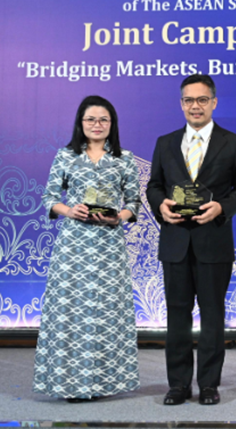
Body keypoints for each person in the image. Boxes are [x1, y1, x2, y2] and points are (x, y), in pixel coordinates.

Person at [146, 74, 236, 406]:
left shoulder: (233, 142)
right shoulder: (165, 142)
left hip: (214, 241)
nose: (196, 106)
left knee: (212, 316)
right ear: (181, 104)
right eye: (189, 100)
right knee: (177, 316)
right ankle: (178, 384)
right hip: (175, 242)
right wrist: (160, 206)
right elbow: (154, 186)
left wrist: (222, 207)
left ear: (214, 102)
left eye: (202, 99)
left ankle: (209, 384)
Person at [34, 95, 141, 402]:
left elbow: (134, 202)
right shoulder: (66, 155)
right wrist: (69, 210)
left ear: (112, 124)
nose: (97, 124)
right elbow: (49, 198)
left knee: (106, 311)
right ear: (80, 123)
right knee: (71, 310)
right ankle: (69, 384)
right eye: (91, 119)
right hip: (73, 246)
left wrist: (118, 216)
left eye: (103, 119)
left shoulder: (124, 158)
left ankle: (105, 383)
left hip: (109, 246)